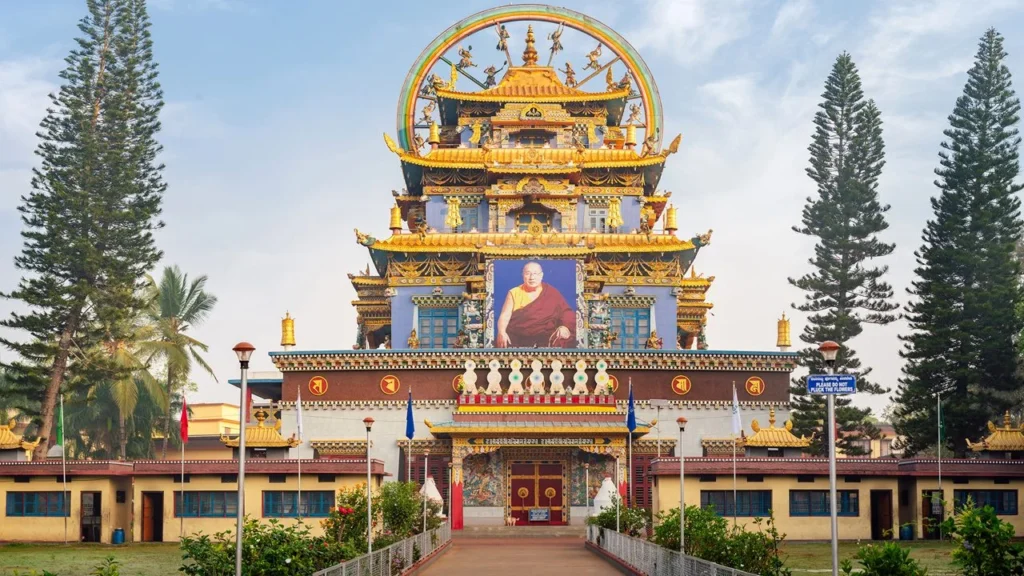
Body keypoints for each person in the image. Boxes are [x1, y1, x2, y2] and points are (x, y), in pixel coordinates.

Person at [496, 262, 576, 348]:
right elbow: (505, 314)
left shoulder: (551, 293)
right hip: (517, 338)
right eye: (528, 273)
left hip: (546, 338)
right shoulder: (514, 292)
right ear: (523, 275)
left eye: (535, 273)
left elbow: (566, 313)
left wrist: (565, 327)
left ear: (541, 275)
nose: (532, 277)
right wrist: (501, 332)